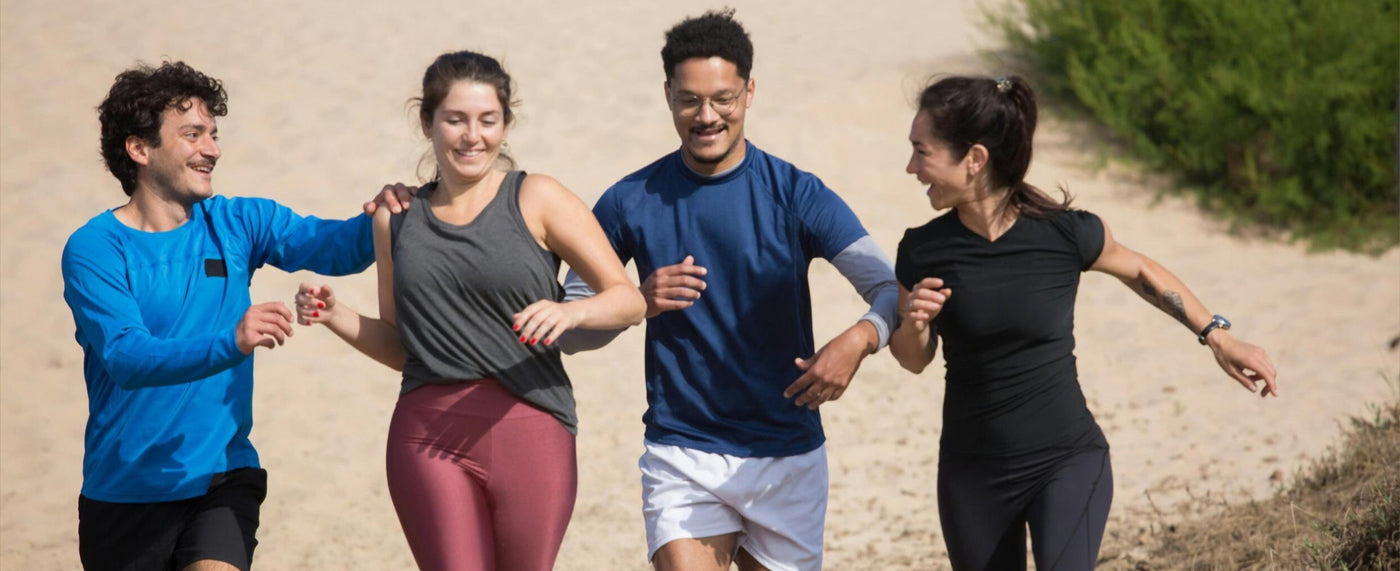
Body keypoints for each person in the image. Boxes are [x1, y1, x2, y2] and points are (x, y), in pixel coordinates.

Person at [888, 75, 1280, 570]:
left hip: (1065, 461)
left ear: (975, 159)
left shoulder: (1064, 234)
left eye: (921, 152)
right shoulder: (923, 250)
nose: (911, 167)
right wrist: (917, 326)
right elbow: (912, 360)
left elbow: (1140, 270)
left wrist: (1217, 336)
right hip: (971, 476)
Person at [554, 10, 899, 571]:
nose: (706, 116)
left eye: (723, 98)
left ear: (750, 92)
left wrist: (860, 338)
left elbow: (887, 288)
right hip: (681, 448)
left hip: (788, 451)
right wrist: (636, 301)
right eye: (689, 100)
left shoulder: (797, 193)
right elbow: (571, 329)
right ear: (667, 95)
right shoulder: (628, 200)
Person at [293, 50, 645, 571]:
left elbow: (629, 299)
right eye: (455, 119)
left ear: (506, 123)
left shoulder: (538, 197)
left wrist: (569, 313)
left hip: (532, 425)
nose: (472, 136)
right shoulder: (396, 218)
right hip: (426, 433)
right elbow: (400, 346)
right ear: (427, 122)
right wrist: (336, 316)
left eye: (488, 120)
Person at [61, 61, 377, 571]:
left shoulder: (237, 221)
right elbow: (126, 357)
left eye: (213, 134)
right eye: (192, 135)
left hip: (222, 478)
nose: (213, 149)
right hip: (123, 494)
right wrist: (230, 341)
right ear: (139, 149)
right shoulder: (95, 248)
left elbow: (335, 247)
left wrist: (391, 213)